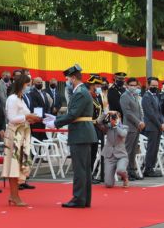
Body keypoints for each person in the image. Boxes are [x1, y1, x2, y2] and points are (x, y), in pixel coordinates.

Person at [46, 64, 98, 208]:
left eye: (68, 78)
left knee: (80, 169)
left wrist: (55, 122)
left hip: (80, 134)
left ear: (73, 78)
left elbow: (73, 114)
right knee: (84, 169)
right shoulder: (82, 91)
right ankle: (84, 199)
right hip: (84, 133)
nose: (67, 81)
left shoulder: (80, 92)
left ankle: (79, 199)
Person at [3, 75, 41, 206]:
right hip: (15, 134)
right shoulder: (12, 99)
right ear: (22, 84)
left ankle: (14, 195)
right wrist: (27, 116)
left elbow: (22, 117)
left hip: (23, 134)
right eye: (28, 84)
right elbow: (12, 118)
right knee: (13, 165)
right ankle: (14, 195)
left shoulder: (21, 99)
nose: (28, 87)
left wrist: (31, 118)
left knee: (19, 165)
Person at [120, 77, 145, 180]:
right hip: (130, 127)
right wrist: (138, 122)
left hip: (137, 127)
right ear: (127, 85)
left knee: (133, 151)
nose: (133, 87)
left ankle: (132, 171)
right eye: (131, 85)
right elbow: (127, 112)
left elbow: (139, 111)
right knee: (128, 150)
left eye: (135, 85)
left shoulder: (135, 96)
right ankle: (124, 173)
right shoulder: (125, 96)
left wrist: (142, 121)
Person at [141, 77, 164, 177]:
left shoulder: (156, 96)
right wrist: (160, 124)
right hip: (151, 127)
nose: (155, 87)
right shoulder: (146, 97)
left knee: (155, 148)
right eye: (152, 86)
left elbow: (159, 112)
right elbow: (150, 114)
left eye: (156, 86)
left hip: (158, 127)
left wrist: (163, 122)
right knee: (151, 149)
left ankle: (152, 167)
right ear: (148, 85)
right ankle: (148, 168)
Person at [86, 74, 106, 184]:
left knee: (93, 153)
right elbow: (89, 115)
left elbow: (101, 110)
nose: (99, 86)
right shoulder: (88, 96)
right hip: (90, 127)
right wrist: (98, 123)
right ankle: (88, 176)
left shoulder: (96, 96)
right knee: (89, 154)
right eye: (97, 84)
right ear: (91, 85)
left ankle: (91, 174)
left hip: (96, 128)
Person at [101, 111, 129, 188]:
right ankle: (110, 178)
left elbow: (123, 134)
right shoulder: (107, 127)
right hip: (109, 156)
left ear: (119, 119)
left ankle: (125, 177)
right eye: (112, 117)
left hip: (121, 156)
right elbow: (98, 122)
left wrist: (116, 126)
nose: (114, 119)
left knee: (120, 170)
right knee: (108, 184)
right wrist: (106, 112)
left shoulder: (124, 127)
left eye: (116, 117)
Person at [29, 77, 50, 141]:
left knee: (42, 138)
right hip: (37, 121)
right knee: (36, 139)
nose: (40, 84)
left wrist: (47, 115)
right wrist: (43, 116)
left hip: (43, 120)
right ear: (34, 83)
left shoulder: (44, 93)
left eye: (41, 82)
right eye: (38, 82)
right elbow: (36, 107)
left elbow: (47, 105)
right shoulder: (32, 93)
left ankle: (41, 150)